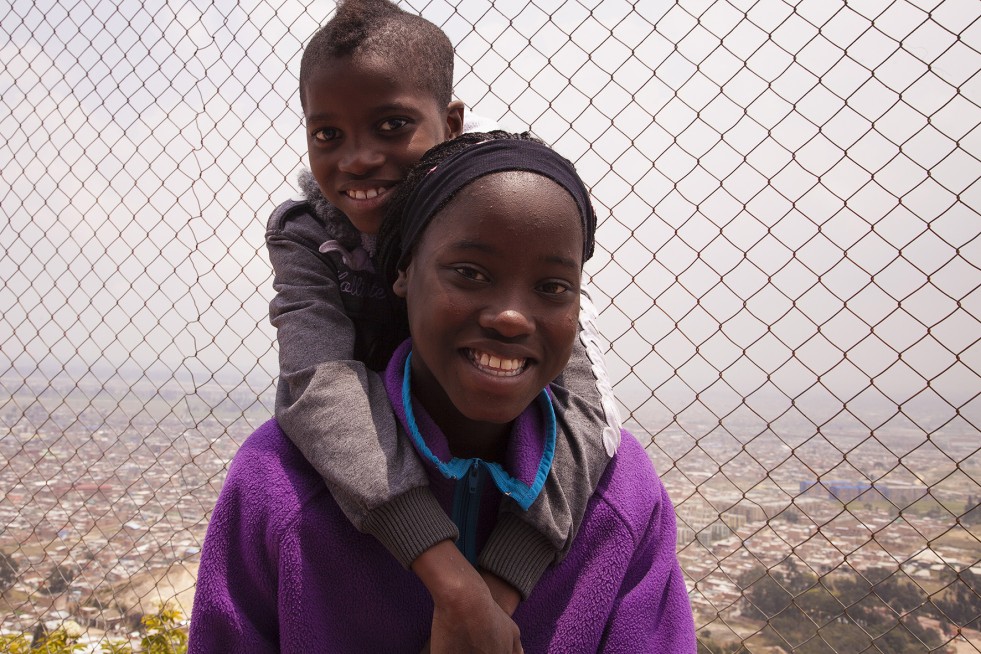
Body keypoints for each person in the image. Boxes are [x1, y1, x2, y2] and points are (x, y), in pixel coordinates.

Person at [189, 131, 696, 653]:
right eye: (470, 273)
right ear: (403, 272)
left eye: (552, 287)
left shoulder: (622, 498)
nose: (511, 316)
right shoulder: (279, 486)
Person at [263, 0, 621, 650]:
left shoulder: (506, 208)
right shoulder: (308, 233)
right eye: (327, 135)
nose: (358, 160)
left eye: (392, 125)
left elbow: (582, 413)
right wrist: (452, 582)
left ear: (449, 122)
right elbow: (319, 384)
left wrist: (499, 587)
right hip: (386, 492)